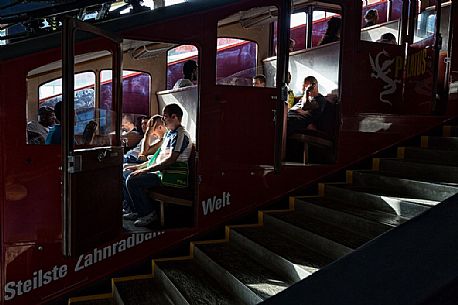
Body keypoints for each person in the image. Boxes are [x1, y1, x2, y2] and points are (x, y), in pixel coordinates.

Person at [124, 103, 193, 227]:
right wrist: (139, 167)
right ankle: (135, 210)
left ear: (174, 117)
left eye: (165, 116)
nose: (163, 119)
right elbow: (157, 157)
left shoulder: (181, 134)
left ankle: (148, 213)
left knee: (132, 180)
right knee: (125, 173)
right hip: (161, 171)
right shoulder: (168, 135)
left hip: (171, 174)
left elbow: (170, 160)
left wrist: (145, 171)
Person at [122, 115, 167, 214]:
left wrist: (148, 132)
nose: (147, 128)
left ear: (159, 127)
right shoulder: (152, 137)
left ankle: (146, 212)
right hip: (148, 164)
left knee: (130, 178)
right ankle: (132, 208)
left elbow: (144, 153)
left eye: (151, 126)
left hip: (154, 169)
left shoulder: (163, 140)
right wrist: (137, 167)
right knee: (124, 172)